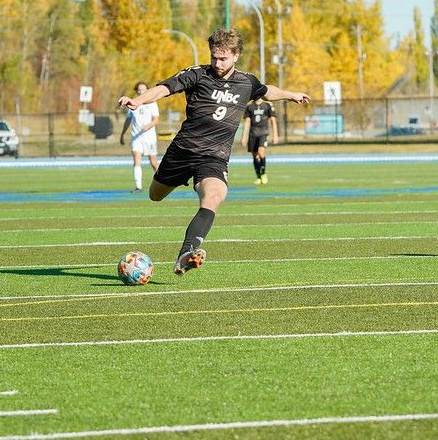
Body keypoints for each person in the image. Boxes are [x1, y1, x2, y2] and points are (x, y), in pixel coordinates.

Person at [117, 28, 310, 275]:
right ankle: (173, 183)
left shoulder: (246, 82)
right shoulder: (197, 74)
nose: (217, 64)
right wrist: (139, 101)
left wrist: (291, 95)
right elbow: (164, 88)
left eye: (223, 58)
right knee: (155, 195)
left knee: (215, 196)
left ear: (236, 55)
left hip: (214, 157)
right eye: (214, 57)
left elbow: (266, 90)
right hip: (182, 151)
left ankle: (186, 254)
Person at [118, 81, 159, 192]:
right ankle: (138, 187)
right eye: (139, 90)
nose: (141, 92)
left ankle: (164, 183)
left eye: (144, 89)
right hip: (136, 137)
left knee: (153, 162)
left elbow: (156, 120)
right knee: (137, 160)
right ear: (136, 91)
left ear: (147, 90)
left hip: (149, 138)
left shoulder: (152, 103)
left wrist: (148, 126)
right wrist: (122, 134)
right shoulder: (133, 103)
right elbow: (128, 120)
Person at [241, 97, 278, 185]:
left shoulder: (267, 105)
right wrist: (244, 137)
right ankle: (258, 176)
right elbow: (247, 122)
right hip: (253, 134)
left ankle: (263, 173)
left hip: (263, 133)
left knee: (261, 153)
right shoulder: (250, 106)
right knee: (255, 156)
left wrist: (275, 135)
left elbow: (273, 121)